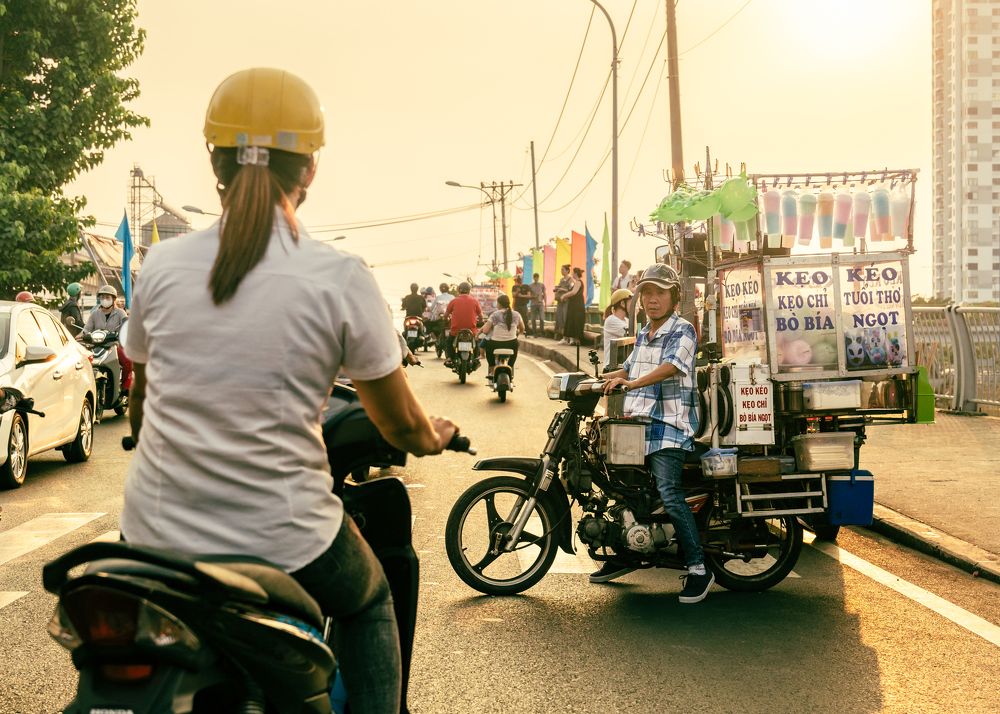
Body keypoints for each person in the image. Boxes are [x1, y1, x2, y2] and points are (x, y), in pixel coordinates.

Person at [120, 67, 457, 712]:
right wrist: (435, 435)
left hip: (155, 536)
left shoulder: (160, 266)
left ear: (214, 161)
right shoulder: (338, 277)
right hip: (287, 537)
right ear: (309, 169)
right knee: (369, 602)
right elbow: (401, 427)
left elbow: (141, 394)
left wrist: (144, 434)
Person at [597, 263, 710, 604]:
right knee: (617, 482)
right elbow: (629, 367)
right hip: (640, 423)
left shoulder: (683, 330)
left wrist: (630, 382)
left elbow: (671, 367)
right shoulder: (645, 332)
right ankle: (629, 552)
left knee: (668, 491)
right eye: (646, 292)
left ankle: (699, 569)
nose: (651, 299)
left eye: (659, 292)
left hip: (671, 427)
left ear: (674, 297)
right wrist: (599, 379)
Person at [481, 294, 524, 379]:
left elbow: (485, 331)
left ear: (499, 304)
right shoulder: (516, 314)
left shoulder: (495, 314)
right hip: (511, 343)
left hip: (496, 344)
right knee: (516, 347)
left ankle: (492, 369)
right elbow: (522, 328)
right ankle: (510, 368)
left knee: (488, 348)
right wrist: (518, 332)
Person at [443, 281, 482, 366]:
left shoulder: (453, 301)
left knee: (449, 342)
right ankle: (477, 358)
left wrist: (445, 320)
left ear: (459, 290)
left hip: (456, 330)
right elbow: (480, 316)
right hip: (471, 330)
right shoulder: (475, 301)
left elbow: (445, 315)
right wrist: (480, 321)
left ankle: (449, 358)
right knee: (476, 341)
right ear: (469, 290)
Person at [602, 288, 632, 371]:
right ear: (622, 303)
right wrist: (635, 315)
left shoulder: (626, 320)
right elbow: (632, 334)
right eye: (631, 302)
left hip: (620, 366)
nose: (633, 305)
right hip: (610, 367)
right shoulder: (611, 320)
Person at [560, 267, 585, 346]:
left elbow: (573, 292)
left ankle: (575, 339)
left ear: (575, 274)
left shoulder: (578, 282)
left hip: (577, 305)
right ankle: (570, 338)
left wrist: (564, 296)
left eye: (573, 273)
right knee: (571, 320)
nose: (572, 274)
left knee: (576, 321)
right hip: (574, 304)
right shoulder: (575, 282)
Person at [553, 264, 573, 340]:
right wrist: (557, 288)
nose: (561, 271)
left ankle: (566, 336)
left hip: (566, 301)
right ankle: (560, 334)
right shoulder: (561, 280)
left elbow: (571, 290)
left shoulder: (571, 279)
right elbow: (560, 287)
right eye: (561, 270)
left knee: (565, 317)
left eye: (563, 270)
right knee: (559, 317)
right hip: (560, 300)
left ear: (567, 271)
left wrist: (562, 289)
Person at [528, 272, 545, 337]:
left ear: (538, 278)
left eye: (537, 277)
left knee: (542, 318)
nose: (536, 279)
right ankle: (534, 332)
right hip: (533, 304)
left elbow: (544, 294)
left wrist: (545, 304)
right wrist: (533, 297)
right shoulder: (530, 286)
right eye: (535, 277)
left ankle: (542, 332)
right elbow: (529, 296)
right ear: (533, 278)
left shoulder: (542, 285)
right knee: (533, 319)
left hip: (540, 304)